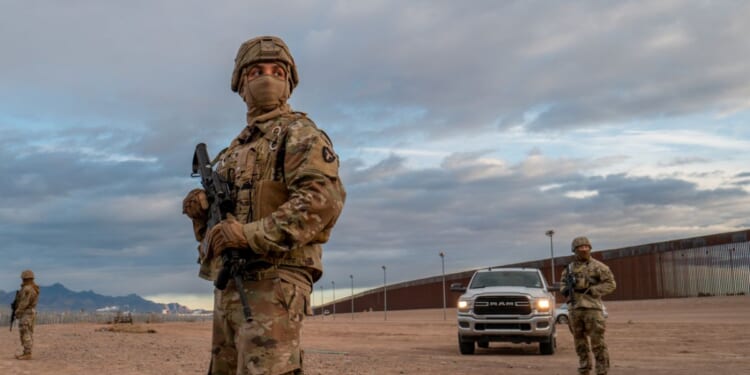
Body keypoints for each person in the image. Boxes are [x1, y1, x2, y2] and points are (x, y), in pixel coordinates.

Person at [183, 35, 346, 375]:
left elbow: (321, 202)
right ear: (241, 84)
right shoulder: (232, 153)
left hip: (275, 284)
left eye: (277, 71)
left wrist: (249, 234)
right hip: (230, 286)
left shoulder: (300, 135)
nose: (267, 77)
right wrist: (202, 215)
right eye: (256, 71)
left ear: (288, 83)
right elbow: (216, 235)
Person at [560, 237, 616, 375]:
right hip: (575, 308)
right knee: (580, 342)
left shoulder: (599, 267)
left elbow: (611, 284)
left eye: (586, 247)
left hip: (592, 308)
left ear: (590, 248)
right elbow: (562, 284)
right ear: (574, 250)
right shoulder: (569, 269)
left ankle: (601, 370)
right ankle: (584, 367)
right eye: (580, 247)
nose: (584, 249)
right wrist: (565, 289)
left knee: (598, 342)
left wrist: (593, 290)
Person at [14, 269, 40, 360]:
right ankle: (26, 352)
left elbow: (24, 303)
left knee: (25, 332)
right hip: (30, 312)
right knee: (28, 331)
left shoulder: (27, 289)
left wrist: (17, 312)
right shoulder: (33, 288)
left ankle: (27, 353)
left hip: (26, 313)